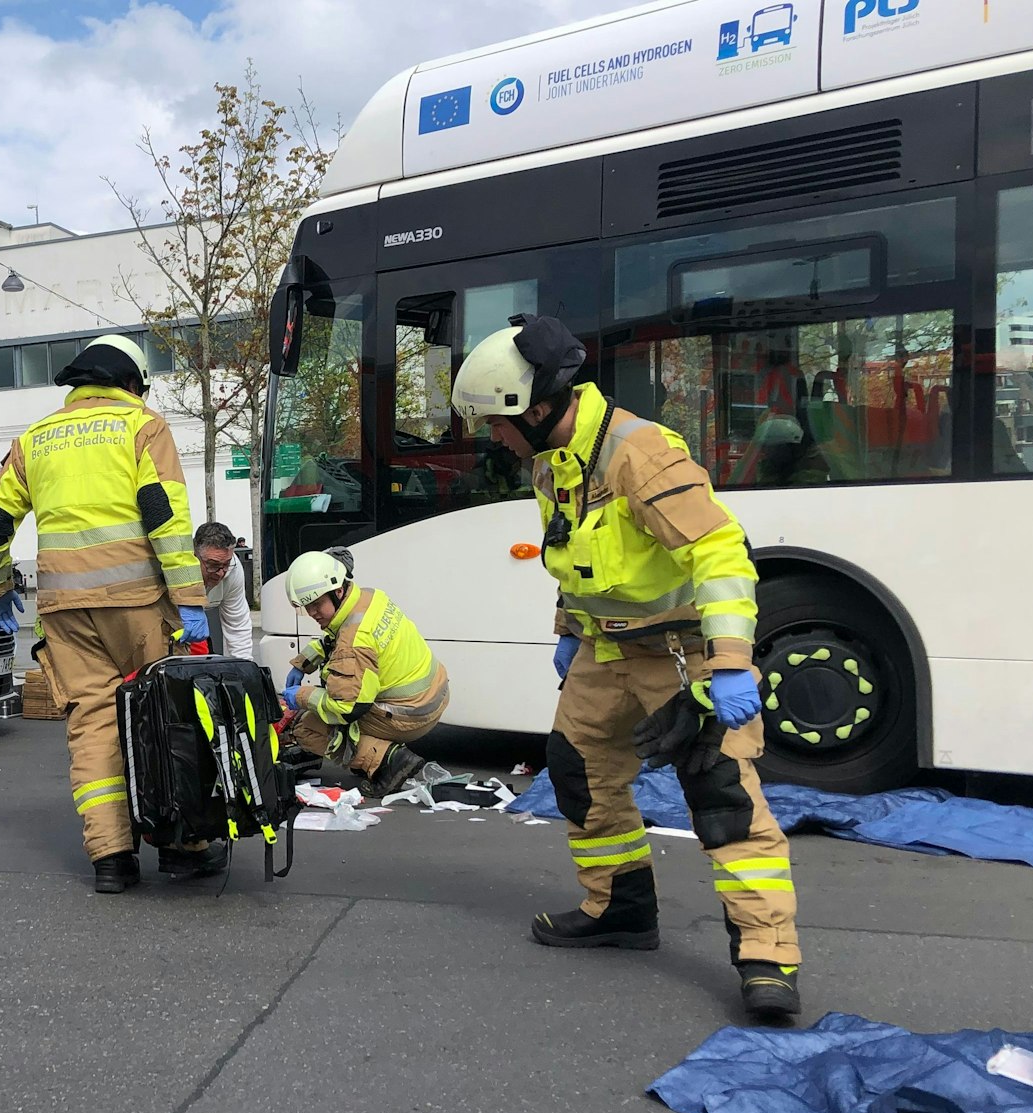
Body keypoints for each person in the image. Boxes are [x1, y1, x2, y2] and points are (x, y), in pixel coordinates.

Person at [452, 314, 801, 1020]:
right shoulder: (553, 461)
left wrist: (730, 663)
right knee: (579, 771)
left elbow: (720, 552)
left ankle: (767, 956)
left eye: (495, 421)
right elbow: (575, 557)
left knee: (724, 796)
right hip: (603, 650)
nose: (491, 435)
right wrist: (567, 628)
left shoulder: (638, 453)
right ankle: (619, 908)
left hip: (679, 653)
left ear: (538, 406)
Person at [0, 334, 212, 893]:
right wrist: (191, 599)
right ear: (130, 382)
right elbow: (164, 518)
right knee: (165, 716)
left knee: (94, 724)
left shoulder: (35, 438)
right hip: (137, 602)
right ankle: (181, 848)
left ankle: (111, 857)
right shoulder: (142, 425)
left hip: (63, 610)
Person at [277, 552, 447, 798]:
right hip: (432, 691)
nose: (312, 613)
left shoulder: (354, 642)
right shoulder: (367, 597)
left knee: (306, 726)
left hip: (410, 713)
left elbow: (348, 707)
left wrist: (302, 696)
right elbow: (336, 638)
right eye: (306, 607)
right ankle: (375, 750)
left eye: (316, 604)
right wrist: (303, 663)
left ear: (337, 592)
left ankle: (388, 761)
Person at [192, 522, 253, 659]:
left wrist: (244, 669)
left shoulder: (234, 569)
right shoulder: (179, 567)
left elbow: (238, 626)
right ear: (194, 555)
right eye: (213, 565)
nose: (220, 573)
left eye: (226, 564)